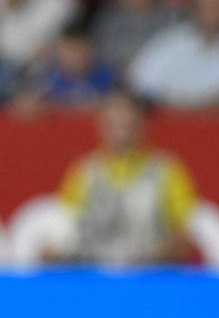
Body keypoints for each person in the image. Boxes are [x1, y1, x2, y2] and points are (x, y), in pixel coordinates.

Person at [52, 89, 197, 266]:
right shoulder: (84, 173)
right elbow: (64, 235)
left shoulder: (167, 171)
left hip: (151, 280)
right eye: (114, 120)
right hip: (95, 281)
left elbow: (183, 239)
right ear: (101, 125)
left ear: (143, 124)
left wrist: (142, 263)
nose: (122, 124)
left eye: (128, 120)